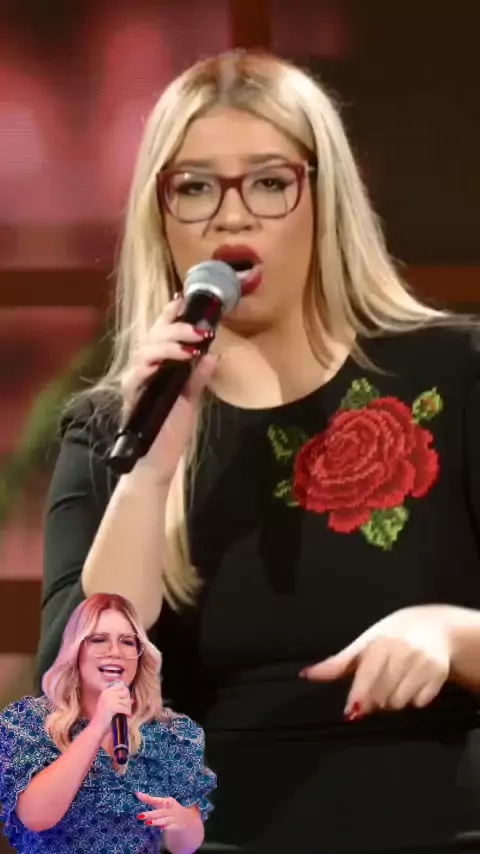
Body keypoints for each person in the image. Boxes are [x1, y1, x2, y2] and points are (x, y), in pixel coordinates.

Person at [36, 49, 480, 854]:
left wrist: (453, 635)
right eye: (195, 187)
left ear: (325, 200)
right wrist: (151, 470)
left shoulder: (456, 375)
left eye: (270, 183)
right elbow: (78, 710)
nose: (231, 217)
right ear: (162, 215)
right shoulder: (114, 428)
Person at [0, 593, 215, 853]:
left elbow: (185, 845)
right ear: (76, 651)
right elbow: (36, 816)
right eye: (99, 640)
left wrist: (182, 823)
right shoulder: (31, 723)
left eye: (127, 642)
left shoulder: (171, 733)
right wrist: (98, 725)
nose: (115, 652)